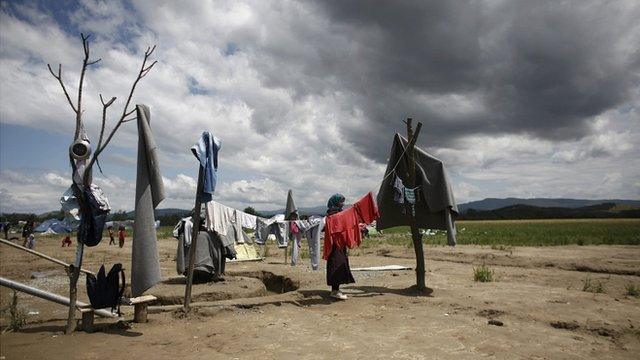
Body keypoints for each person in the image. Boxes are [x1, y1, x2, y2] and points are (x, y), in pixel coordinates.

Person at [325, 194, 354, 300]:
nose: (342, 203)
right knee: (336, 265)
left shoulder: (339, 213)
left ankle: (336, 289)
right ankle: (334, 291)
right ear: (335, 202)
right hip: (334, 245)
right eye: (341, 201)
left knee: (340, 264)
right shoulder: (332, 214)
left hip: (340, 244)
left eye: (343, 201)